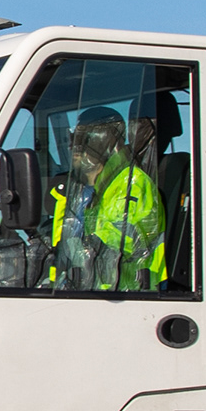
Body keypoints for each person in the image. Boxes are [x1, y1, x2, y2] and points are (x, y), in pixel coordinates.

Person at [48, 108, 168, 292]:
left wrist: (77, 249)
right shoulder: (77, 192)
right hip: (81, 292)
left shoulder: (131, 184)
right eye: (73, 138)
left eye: (83, 138)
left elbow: (117, 246)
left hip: (129, 294)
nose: (73, 146)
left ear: (107, 141)